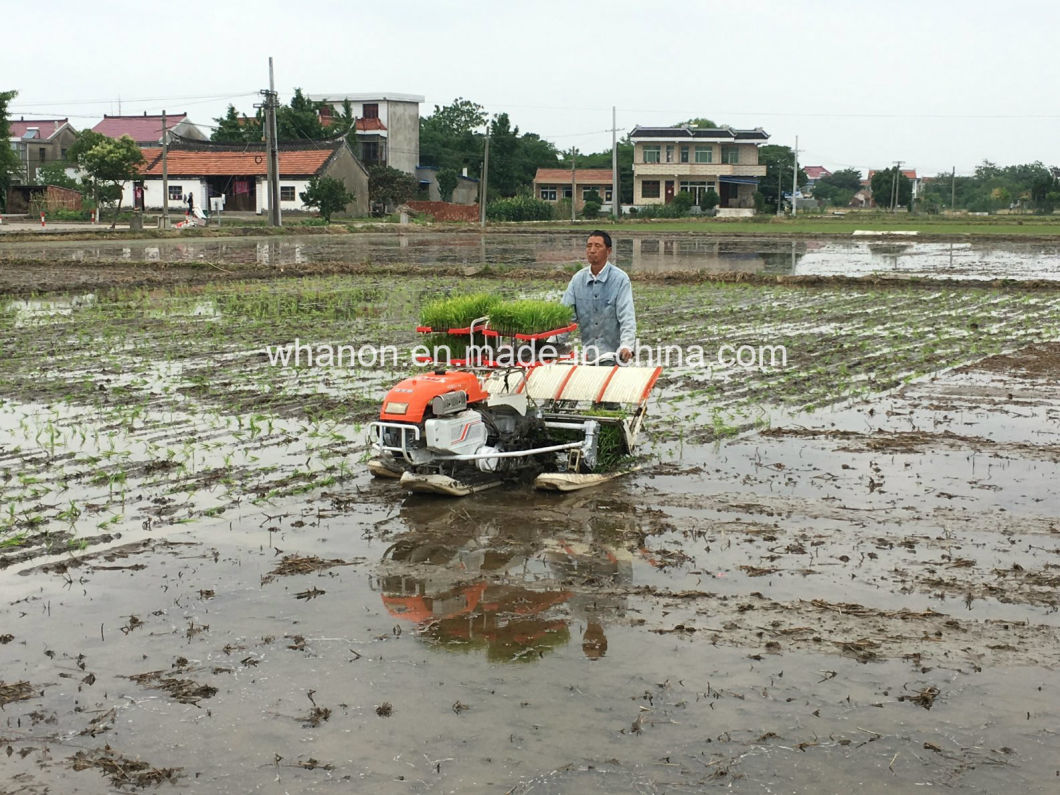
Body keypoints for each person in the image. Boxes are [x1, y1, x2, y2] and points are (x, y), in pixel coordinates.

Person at [561, 230, 636, 364]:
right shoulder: (577, 280)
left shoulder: (620, 280)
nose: (592, 250)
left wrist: (626, 346)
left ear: (608, 251)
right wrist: (548, 346)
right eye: (589, 246)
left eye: (597, 246)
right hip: (589, 357)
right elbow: (565, 318)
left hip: (614, 357)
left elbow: (627, 317)